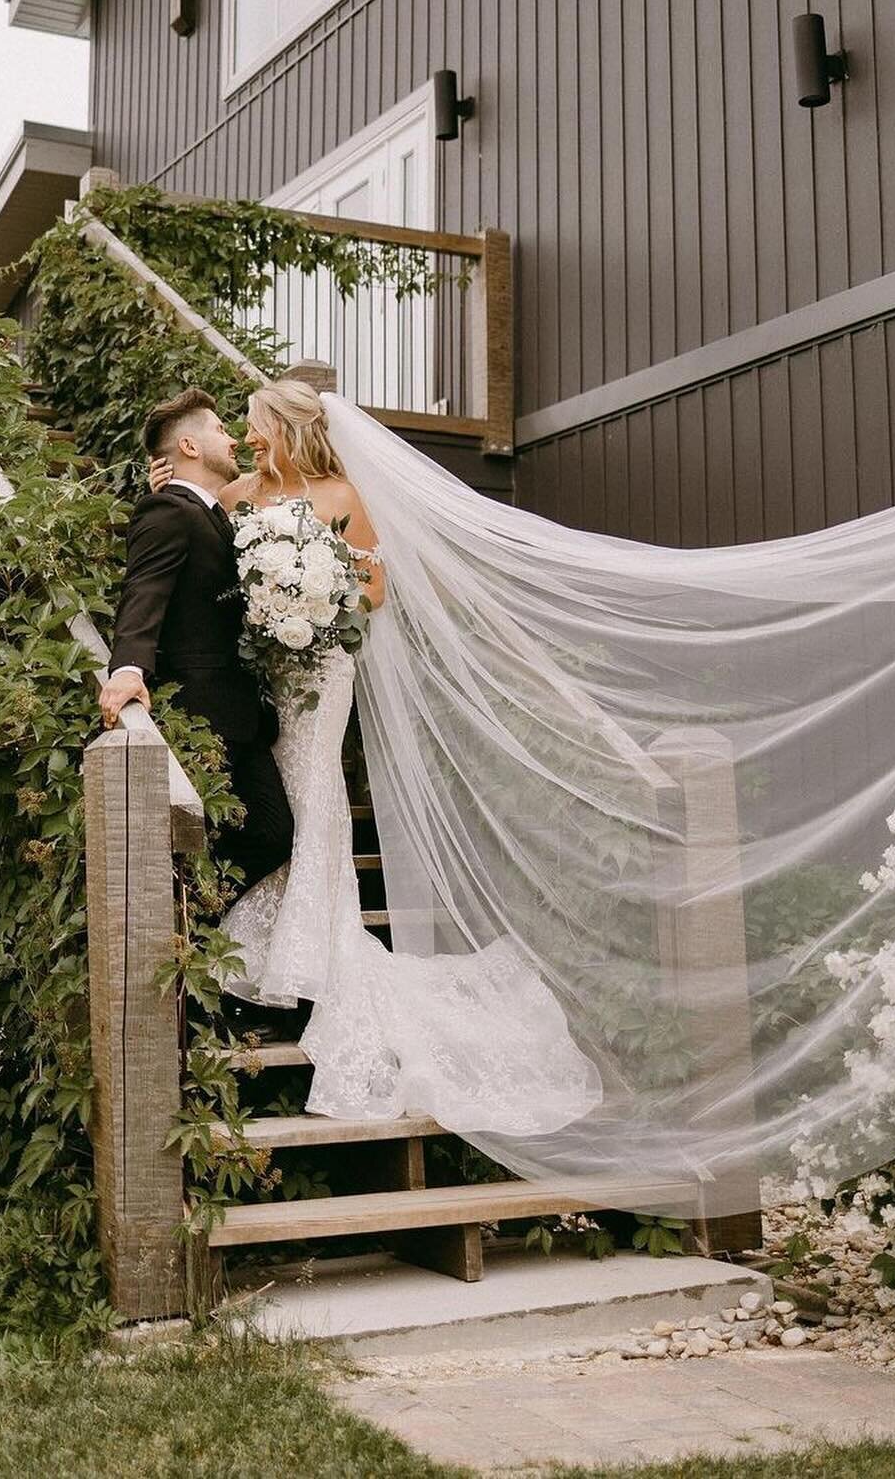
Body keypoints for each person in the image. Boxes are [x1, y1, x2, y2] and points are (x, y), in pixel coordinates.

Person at [142, 378, 604, 1134]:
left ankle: (309, 960)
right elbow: (200, 559)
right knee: (278, 805)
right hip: (261, 673)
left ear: (288, 430)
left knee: (314, 795)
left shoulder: (342, 493)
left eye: (258, 427)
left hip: (322, 671)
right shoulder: (238, 497)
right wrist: (257, 595)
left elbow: (377, 588)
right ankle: (284, 954)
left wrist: (313, 598)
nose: (251, 439)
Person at [99, 388, 295, 907]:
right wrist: (128, 668)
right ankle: (190, 930)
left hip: (238, 711)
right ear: (188, 445)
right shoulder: (168, 510)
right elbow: (144, 591)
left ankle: (198, 935)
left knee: (265, 834)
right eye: (219, 430)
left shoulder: (211, 511)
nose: (231, 439)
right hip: (205, 709)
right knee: (268, 833)